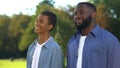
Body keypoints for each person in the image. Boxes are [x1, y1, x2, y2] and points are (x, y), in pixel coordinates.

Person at [67, 2, 120, 68]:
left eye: (81, 12)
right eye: (75, 13)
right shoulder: (72, 41)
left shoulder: (110, 40)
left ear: (93, 15)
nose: (77, 16)